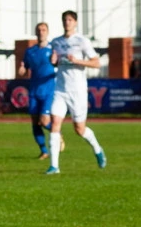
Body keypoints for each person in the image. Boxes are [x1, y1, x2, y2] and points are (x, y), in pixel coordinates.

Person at [45, 10, 106, 175]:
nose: (67, 22)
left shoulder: (82, 41)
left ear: (76, 22)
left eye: (70, 20)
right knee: (55, 124)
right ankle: (54, 166)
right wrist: (54, 61)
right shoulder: (56, 42)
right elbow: (56, 62)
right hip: (60, 89)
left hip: (77, 90)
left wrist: (77, 60)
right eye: (65, 19)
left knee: (79, 129)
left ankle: (97, 149)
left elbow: (96, 63)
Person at [17, 22, 61, 159]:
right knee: (35, 122)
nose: (41, 32)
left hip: (48, 90)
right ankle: (44, 151)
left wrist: (56, 61)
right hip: (34, 91)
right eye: (39, 30)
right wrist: (22, 70)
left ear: (47, 32)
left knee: (44, 120)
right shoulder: (30, 51)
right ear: (36, 32)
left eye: (43, 29)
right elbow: (24, 69)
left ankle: (57, 133)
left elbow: (58, 64)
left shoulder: (53, 49)